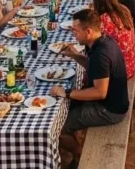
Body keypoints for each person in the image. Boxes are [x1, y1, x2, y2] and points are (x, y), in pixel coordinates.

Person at [51, 9, 129, 167]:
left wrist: (66, 93)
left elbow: (100, 92)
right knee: (69, 108)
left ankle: (79, 155)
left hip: (109, 110)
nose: (73, 34)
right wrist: (75, 56)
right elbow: (95, 69)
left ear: (88, 31)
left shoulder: (101, 55)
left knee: (57, 127)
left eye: (75, 30)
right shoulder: (103, 41)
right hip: (113, 101)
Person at [93, 0, 135, 79]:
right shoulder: (124, 9)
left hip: (118, 72)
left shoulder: (103, 19)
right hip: (130, 64)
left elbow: (94, 45)